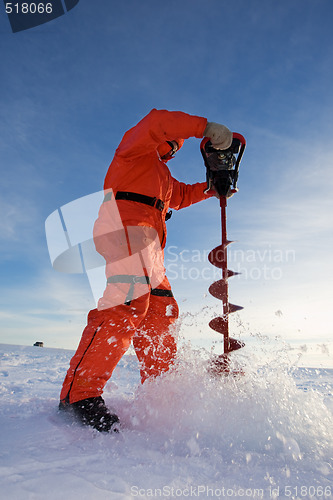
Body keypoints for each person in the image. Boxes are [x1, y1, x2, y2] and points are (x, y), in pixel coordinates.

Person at [58, 108, 232, 432]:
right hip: (125, 231)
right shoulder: (133, 150)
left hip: (151, 247)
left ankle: (160, 391)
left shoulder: (163, 178)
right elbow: (155, 122)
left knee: (161, 310)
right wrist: (205, 128)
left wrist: (213, 187)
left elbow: (181, 195)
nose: (175, 149)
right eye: (174, 143)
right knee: (127, 304)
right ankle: (79, 394)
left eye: (177, 147)